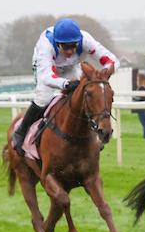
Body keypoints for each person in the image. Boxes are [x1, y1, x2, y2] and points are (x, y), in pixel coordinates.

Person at [12, 18, 118, 152]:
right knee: (43, 98)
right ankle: (21, 131)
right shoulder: (46, 46)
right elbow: (47, 77)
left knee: (82, 96)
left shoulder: (86, 40)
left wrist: (105, 71)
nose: (69, 51)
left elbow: (112, 60)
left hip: (71, 66)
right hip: (48, 68)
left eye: (73, 46)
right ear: (57, 43)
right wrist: (66, 84)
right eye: (65, 46)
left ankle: (94, 134)